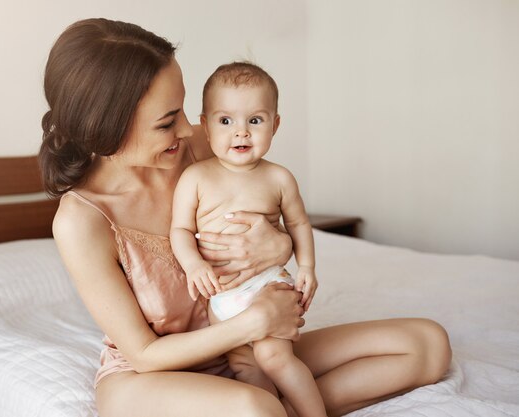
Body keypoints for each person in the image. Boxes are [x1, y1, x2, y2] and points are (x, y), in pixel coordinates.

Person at [40, 18, 452, 417]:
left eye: (183, 110)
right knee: (255, 408)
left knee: (427, 345)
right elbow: (145, 356)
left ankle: (291, 408)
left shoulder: (206, 147)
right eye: (167, 122)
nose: (187, 129)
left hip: (248, 348)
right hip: (155, 374)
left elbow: (276, 206)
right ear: (106, 129)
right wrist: (256, 320)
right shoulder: (82, 221)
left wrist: (283, 244)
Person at [170, 62, 326, 417]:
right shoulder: (195, 178)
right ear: (205, 125)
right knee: (246, 367)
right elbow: (179, 230)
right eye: (226, 121)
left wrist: (308, 266)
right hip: (222, 295)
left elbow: (299, 223)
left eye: (255, 120)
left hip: (269, 284)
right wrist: (193, 264)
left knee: (274, 357)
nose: (241, 133)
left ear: (275, 124)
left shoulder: (279, 178)